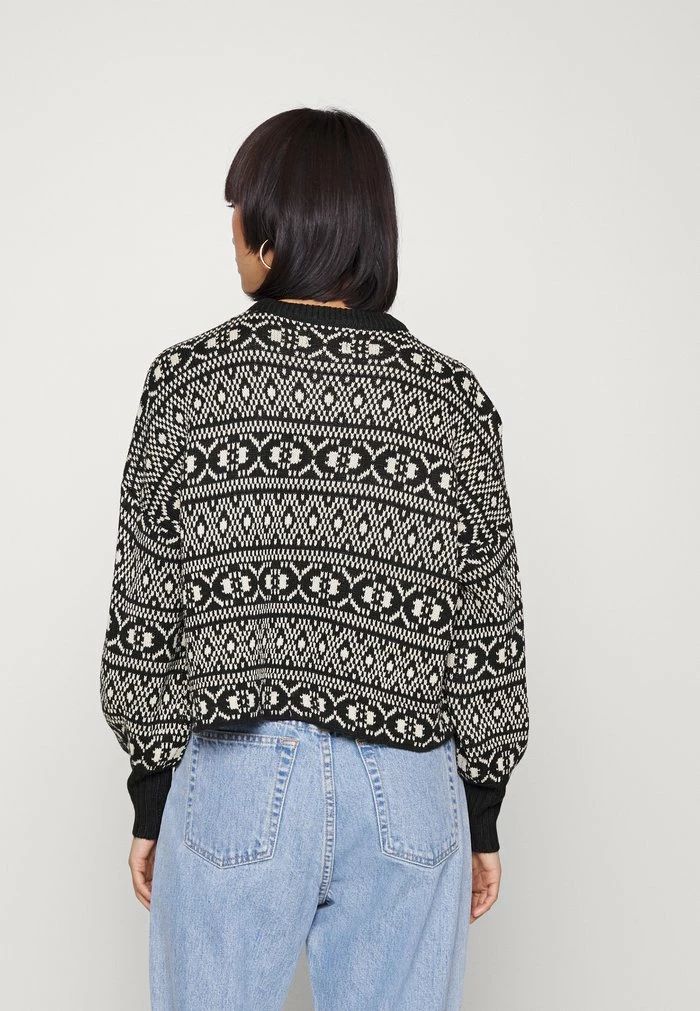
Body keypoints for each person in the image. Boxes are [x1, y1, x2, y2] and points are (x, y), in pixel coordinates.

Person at [99, 106, 529, 1010]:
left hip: (235, 777)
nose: (231, 231)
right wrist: (482, 809)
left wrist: (152, 791)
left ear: (274, 229)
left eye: (239, 209)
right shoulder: (452, 400)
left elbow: (145, 615)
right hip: (409, 789)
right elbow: (489, 630)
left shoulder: (189, 384)